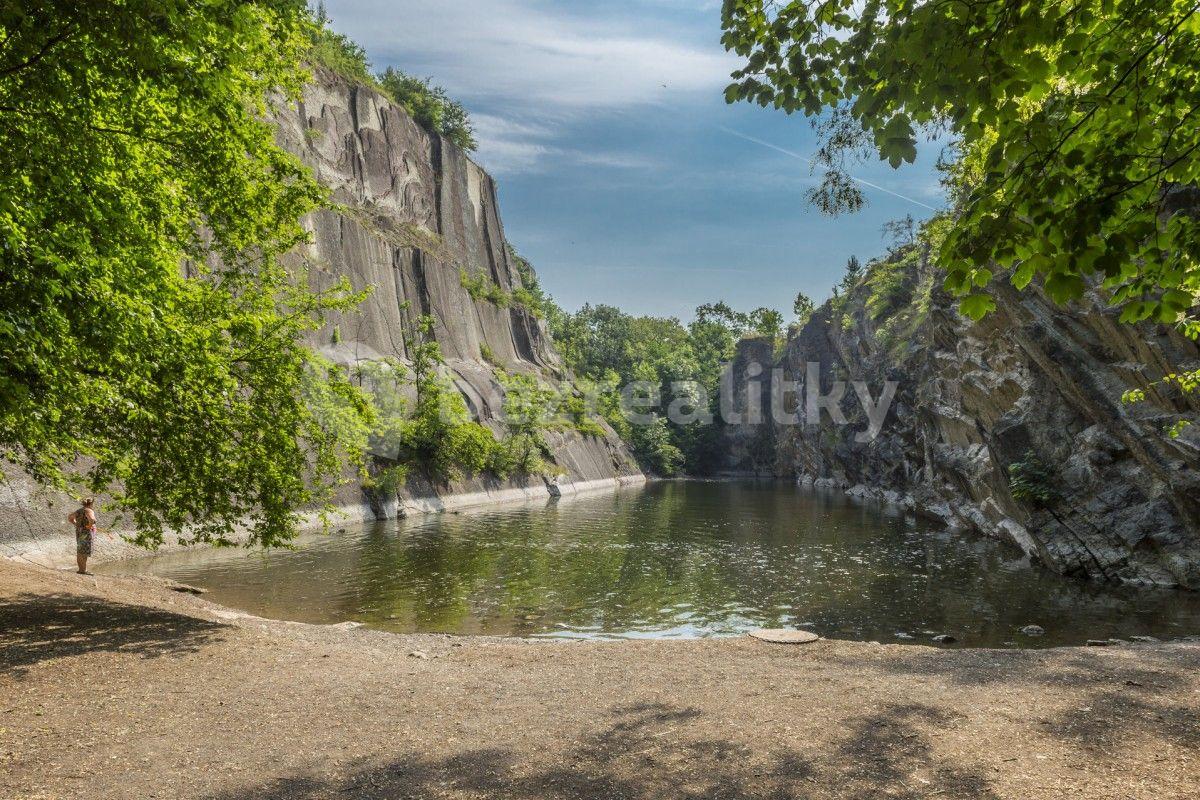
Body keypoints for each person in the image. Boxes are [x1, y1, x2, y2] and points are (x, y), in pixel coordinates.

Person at [67, 498, 98, 575]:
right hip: (86, 533)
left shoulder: (79, 510)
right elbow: (92, 519)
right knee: (84, 551)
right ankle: (83, 570)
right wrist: (89, 526)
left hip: (79, 532)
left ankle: (81, 569)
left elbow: (70, 518)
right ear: (91, 504)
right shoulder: (89, 510)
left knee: (80, 550)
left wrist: (76, 524)